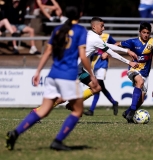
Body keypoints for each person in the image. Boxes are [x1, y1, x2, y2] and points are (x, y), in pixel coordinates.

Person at [5, 6, 96, 151]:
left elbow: (47, 51)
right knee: (77, 111)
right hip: (68, 76)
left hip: (53, 75)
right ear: (80, 14)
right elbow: (83, 56)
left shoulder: (58, 29)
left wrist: (38, 71)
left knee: (43, 111)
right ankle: (57, 141)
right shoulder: (80, 31)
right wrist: (92, 75)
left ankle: (15, 133)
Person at [32, 17, 138, 113]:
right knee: (63, 97)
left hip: (78, 69)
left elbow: (108, 45)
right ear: (94, 26)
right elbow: (111, 52)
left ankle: (72, 104)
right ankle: (38, 111)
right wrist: (129, 62)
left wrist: (126, 51)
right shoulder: (95, 39)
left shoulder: (91, 36)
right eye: (102, 26)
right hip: (72, 70)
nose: (104, 28)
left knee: (96, 88)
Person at [115, 22, 153, 123]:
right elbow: (117, 45)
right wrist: (106, 51)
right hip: (133, 70)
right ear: (140, 32)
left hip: (145, 74)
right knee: (139, 82)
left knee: (141, 100)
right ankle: (132, 110)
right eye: (144, 32)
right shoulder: (133, 42)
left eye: (148, 33)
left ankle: (127, 113)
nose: (146, 35)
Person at [83, 33, 119, 116]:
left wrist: (108, 53)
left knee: (97, 85)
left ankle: (91, 110)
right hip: (94, 65)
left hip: (102, 65)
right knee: (100, 87)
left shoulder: (107, 36)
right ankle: (114, 102)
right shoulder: (90, 37)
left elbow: (115, 44)